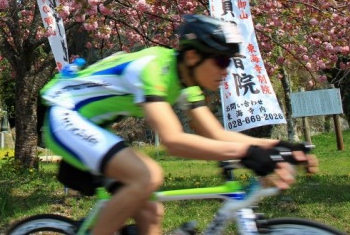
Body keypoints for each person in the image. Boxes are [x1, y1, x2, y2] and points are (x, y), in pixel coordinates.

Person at [41, 14, 318, 235]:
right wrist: (246, 154)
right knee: (147, 176)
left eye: (230, 62)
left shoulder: (187, 80)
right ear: (193, 56)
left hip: (92, 125)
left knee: (151, 213)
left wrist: (279, 146)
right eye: (221, 61)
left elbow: (216, 134)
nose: (226, 70)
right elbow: (173, 140)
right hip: (65, 116)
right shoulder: (153, 68)